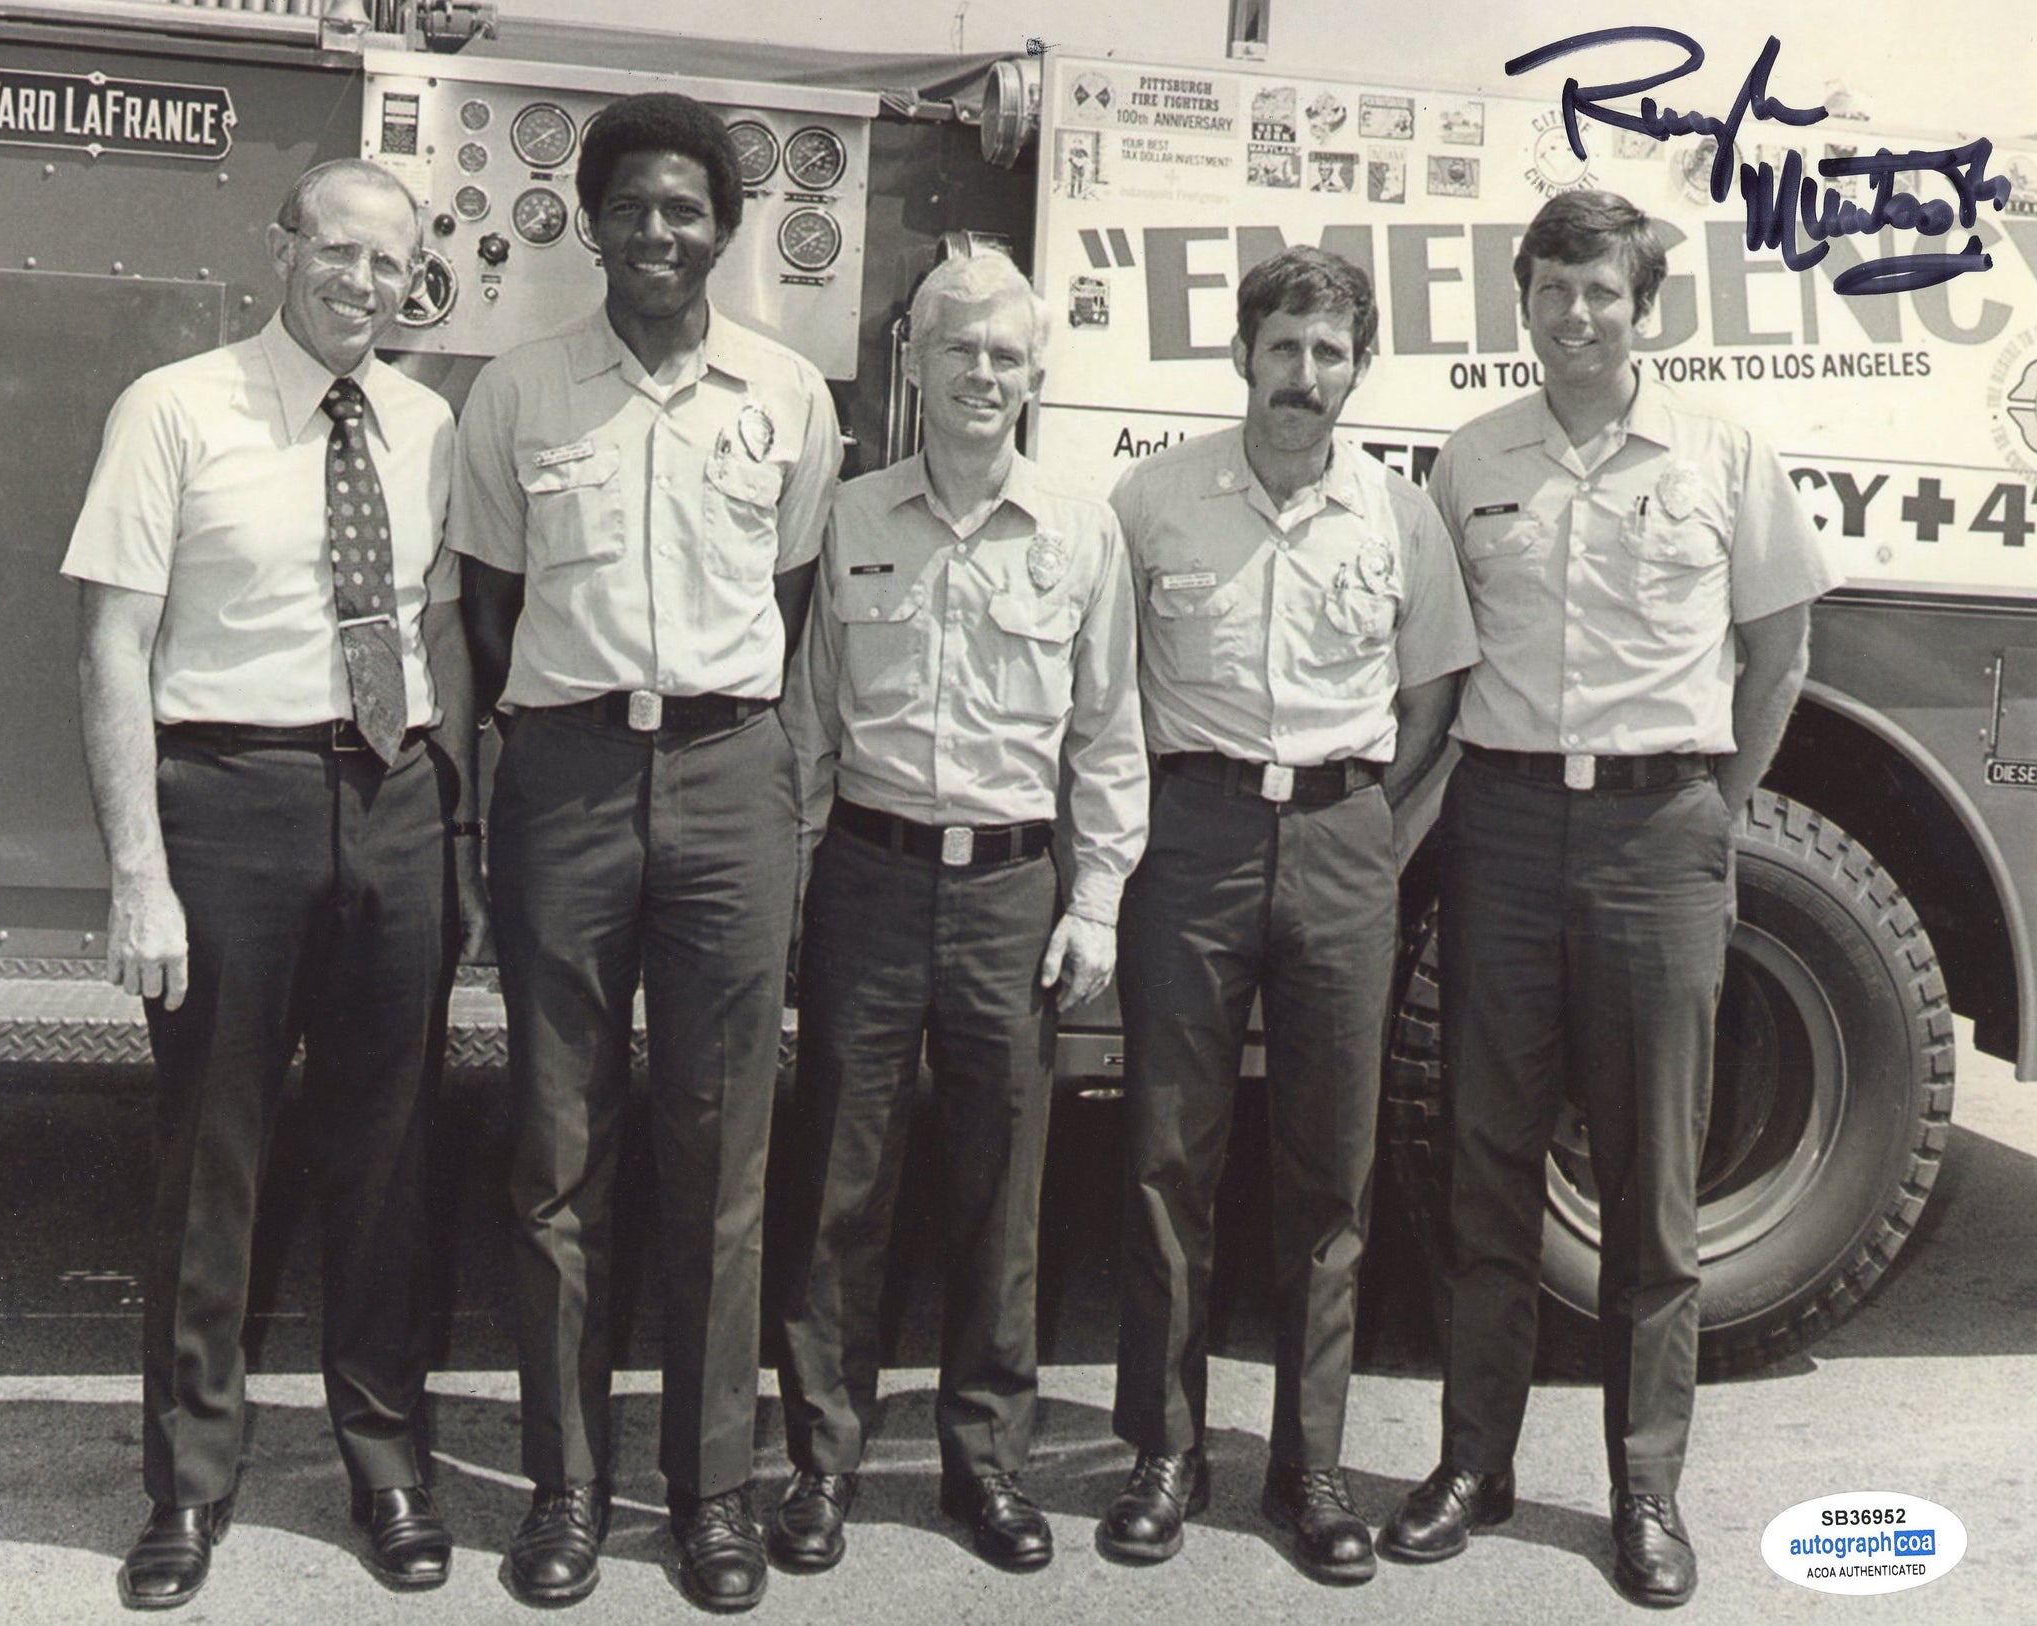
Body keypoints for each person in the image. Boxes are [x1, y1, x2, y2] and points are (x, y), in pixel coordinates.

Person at [1376, 190, 1838, 1609]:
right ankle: (1474, 1462)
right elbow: (1439, 671)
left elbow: (1777, 654)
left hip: (1659, 833)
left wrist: (1703, 802)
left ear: (1649, 313)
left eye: (1605, 293)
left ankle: (1646, 1489)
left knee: (1652, 1186)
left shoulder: (1723, 455)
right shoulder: (1471, 462)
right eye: (1555, 289)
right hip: (1504, 826)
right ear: (1524, 301)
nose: (1579, 315)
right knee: (1486, 1162)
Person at [64, 158, 474, 1609]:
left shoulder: (428, 423)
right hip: (226, 797)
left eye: (392, 264)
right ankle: (187, 1482)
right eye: (338, 251)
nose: (363, 282)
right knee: (215, 1153)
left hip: (394, 794)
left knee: (390, 1151)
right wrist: (139, 869)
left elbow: (441, 631)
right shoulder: (174, 408)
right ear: (281, 248)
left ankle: (385, 1456)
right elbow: (116, 643)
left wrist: (452, 832)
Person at [451, 92, 842, 1613]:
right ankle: (566, 1482)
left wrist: (713, 741)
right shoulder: (521, 393)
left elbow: (793, 599)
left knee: (720, 1148)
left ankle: (711, 1491)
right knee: (558, 1145)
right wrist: (557, 749)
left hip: (731, 776)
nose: (661, 233)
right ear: (588, 220)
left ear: (725, 232)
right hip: (565, 775)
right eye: (634, 207)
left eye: (688, 210)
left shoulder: (788, 393)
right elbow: (490, 612)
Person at [1102, 245, 1478, 1584]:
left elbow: (1433, 699)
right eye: (1283, 349)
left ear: (1357, 369)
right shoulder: (1153, 501)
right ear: (1242, 355)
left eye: (1329, 355)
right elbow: (1104, 689)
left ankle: (1307, 1463)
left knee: (1331, 1169)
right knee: (1165, 1155)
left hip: (1338, 840)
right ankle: (1161, 1448)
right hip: (1189, 837)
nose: (1303, 377)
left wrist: (1380, 837)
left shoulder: (1398, 516)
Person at [772, 251, 1146, 1576]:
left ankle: (986, 1460)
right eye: (958, 351)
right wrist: (793, 892)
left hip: (1010, 889)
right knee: (836, 1183)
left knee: (1003, 1193)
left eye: (1006, 356)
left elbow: (1107, 732)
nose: (982, 375)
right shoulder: (854, 515)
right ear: (912, 367)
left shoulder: (1080, 529)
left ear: (1036, 377)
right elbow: (808, 719)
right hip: (867, 880)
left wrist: (1095, 901)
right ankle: (820, 1458)